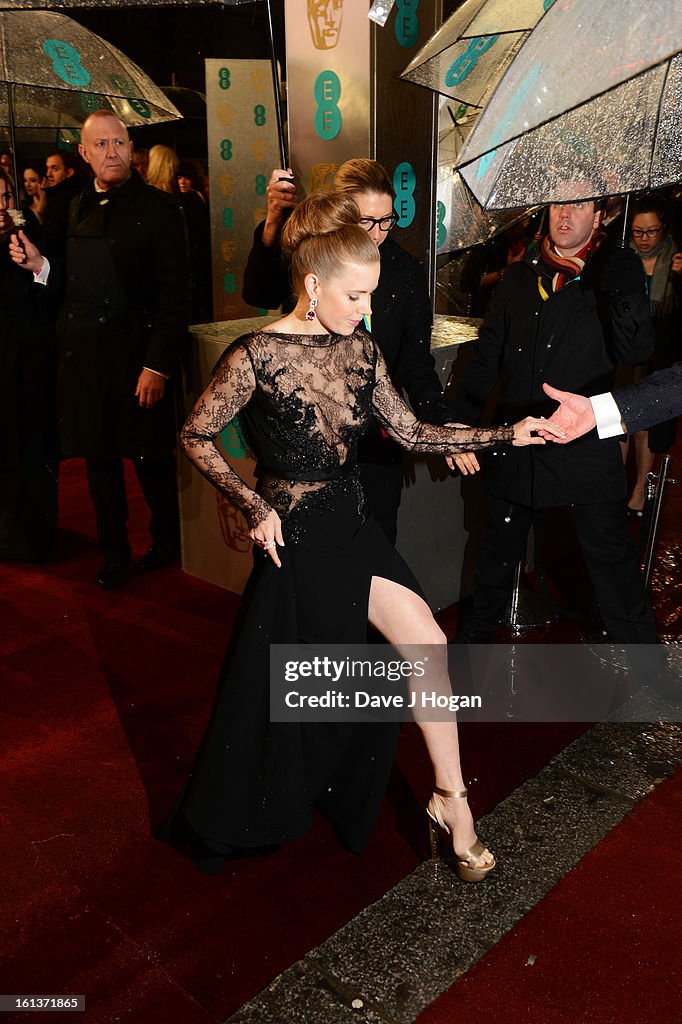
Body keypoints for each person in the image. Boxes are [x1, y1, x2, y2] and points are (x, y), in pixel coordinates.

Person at [159, 190, 560, 876]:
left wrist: (506, 433)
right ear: (312, 286)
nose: (366, 310)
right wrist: (253, 504)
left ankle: (449, 798)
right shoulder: (256, 354)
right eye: (355, 296)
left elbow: (410, 432)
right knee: (316, 688)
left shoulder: (362, 349)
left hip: (350, 519)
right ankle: (298, 796)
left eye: (371, 295)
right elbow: (194, 434)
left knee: (426, 639)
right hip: (297, 534)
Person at [448, 198, 658, 645]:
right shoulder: (518, 278)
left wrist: (627, 297)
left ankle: (650, 679)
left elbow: (637, 353)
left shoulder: (608, 278)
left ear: (599, 217)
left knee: (611, 562)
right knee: (495, 556)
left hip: (584, 442)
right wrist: (457, 427)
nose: (565, 216)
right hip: (518, 438)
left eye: (580, 206)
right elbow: (486, 361)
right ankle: (468, 659)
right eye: (559, 204)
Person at [9, 111, 190, 589]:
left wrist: (157, 365)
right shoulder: (70, 206)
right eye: (101, 144)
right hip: (83, 360)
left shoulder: (160, 210)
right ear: (84, 154)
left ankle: (167, 540)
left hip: (136, 357)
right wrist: (39, 265)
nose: (112, 152)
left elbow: (176, 299)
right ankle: (114, 553)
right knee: (99, 461)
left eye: (120, 142)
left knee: (150, 459)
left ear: (131, 149)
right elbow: (64, 280)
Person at [242, 159, 461, 543]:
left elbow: (415, 363)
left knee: (374, 552)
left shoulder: (405, 270)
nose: (377, 233)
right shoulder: (313, 256)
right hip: (307, 441)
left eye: (387, 220)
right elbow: (258, 293)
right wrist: (273, 223)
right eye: (365, 221)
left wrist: (441, 421)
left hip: (374, 444)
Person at [0, 166, 58, 561]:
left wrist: (38, 267)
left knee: (30, 453)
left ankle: (30, 538)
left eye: (4, 197)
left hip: (28, 370)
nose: (0, 206)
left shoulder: (26, 237)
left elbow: (54, 295)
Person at [619, 197, 682, 516]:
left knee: (645, 424)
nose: (643, 238)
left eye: (651, 231)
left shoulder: (675, 257)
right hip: (624, 349)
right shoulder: (620, 256)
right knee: (618, 421)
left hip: (660, 352)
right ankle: (615, 486)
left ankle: (641, 490)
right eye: (637, 232)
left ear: (663, 229)